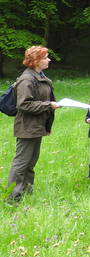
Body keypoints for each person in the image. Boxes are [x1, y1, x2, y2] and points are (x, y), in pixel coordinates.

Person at [5, 46, 58, 203]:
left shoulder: (39, 76)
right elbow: (24, 105)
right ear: (36, 60)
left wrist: (47, 124)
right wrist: (49, 105)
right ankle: (12, 198)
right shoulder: (27, 79)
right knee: (21, 163)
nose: (49, 59)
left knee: (31, 161)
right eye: (45, 57)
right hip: (27, 127)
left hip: (37, 126)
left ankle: (27, 193)